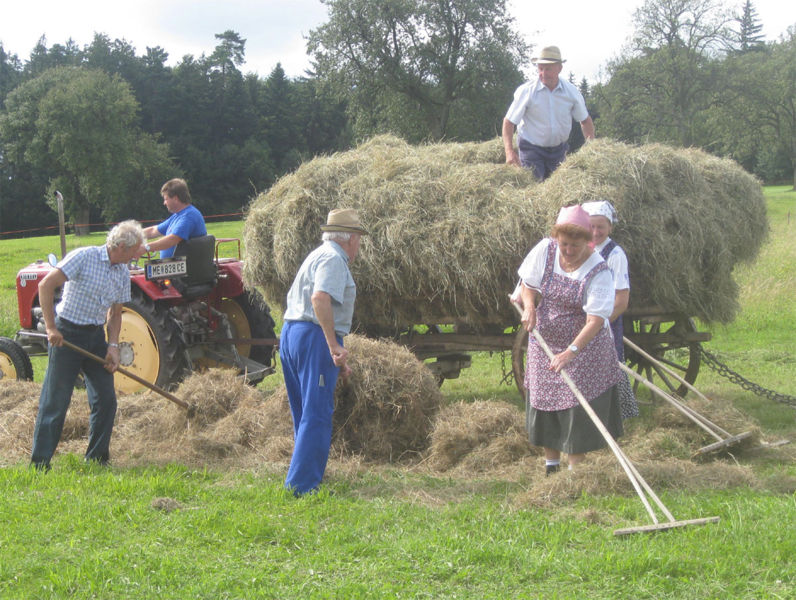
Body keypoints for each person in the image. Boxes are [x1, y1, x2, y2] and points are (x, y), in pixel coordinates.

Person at [516, 205, 623, 474]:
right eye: (564, 244)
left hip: (583, 348)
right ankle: (551, 467)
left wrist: (570, 352)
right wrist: (529, 307)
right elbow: (528, 285)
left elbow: (596, 321)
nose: (568, 250)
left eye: (575, 245)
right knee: (544, 403)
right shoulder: (546, 249)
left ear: (587, 241)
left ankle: (576, 473)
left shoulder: (599, 270)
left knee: (576, 409)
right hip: (544, 345)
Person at [31, 220, 145, 470]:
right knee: (56, 402)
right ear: (122, 247)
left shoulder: (122, 272)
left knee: (106, 399)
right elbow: (45, 285)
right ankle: (39, 464)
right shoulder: (84, 257)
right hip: (67, 334)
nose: (139, 253)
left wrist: (113, 346)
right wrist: (51, 328)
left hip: (95, 339)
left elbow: (115, 314)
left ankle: (96, 459)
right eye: (136, 249)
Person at [280, 208, 368, 496]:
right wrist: (333, 345)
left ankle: (305, 475)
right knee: (316, 413)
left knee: (303, 411)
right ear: (350, 239)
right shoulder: (334, 259)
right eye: (358, 239)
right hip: (312, 336)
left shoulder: (318, 254)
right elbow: (320, 299)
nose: (358, 246)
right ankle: (302, 486)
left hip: (293, 333)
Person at [582, 200, 639, 419]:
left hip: (606, 322)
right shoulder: (581, 250)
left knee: (609, 367)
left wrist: (599, 324)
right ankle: (587, 414)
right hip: (583, 320)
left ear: (610, 227)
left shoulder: (615, 255)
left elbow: (621, 300)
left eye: (601, 227)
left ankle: (618, 415)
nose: (595, 232)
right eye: (591, 226)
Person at [502, 46, 595, 181]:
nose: (543, 73)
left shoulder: (571, 92)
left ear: (559, 68)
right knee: (534, 189)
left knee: (559, 192)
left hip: (559, 151)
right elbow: (509, 122)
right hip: (531, 149)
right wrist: (509, 152)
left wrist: (591, 147)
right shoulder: (526, 92)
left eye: (548, 69)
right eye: (540, 68)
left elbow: (585, 121)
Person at [140, 178, 206, 258]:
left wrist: (146, 248)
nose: (164, 203)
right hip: (172, 267)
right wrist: (131, 235)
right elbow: (153, 231)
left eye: (166, 199)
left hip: (184, 269)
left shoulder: (189, 216)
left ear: (175, 198)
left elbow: (172, 240)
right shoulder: (177, 216)